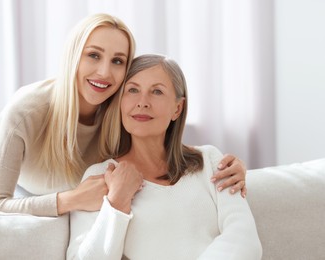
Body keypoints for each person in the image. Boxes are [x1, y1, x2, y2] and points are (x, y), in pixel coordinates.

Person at [0, 13, 247, 217]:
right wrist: (70, 199)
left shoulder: (120, 103)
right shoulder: (26, 111)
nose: (105, 73)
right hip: (16, 169)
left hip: (64, 176)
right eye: (93, 55)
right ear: (74, 57)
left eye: (117, 61)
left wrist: (220, 164)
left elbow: (157, 146)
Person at [67, 54, 262, 259]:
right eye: (132, 90)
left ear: (177, 108)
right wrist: (117, 201)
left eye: (157, 91)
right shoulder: (101, 176)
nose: (142, 102)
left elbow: (245, 240)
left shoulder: (212, 161)